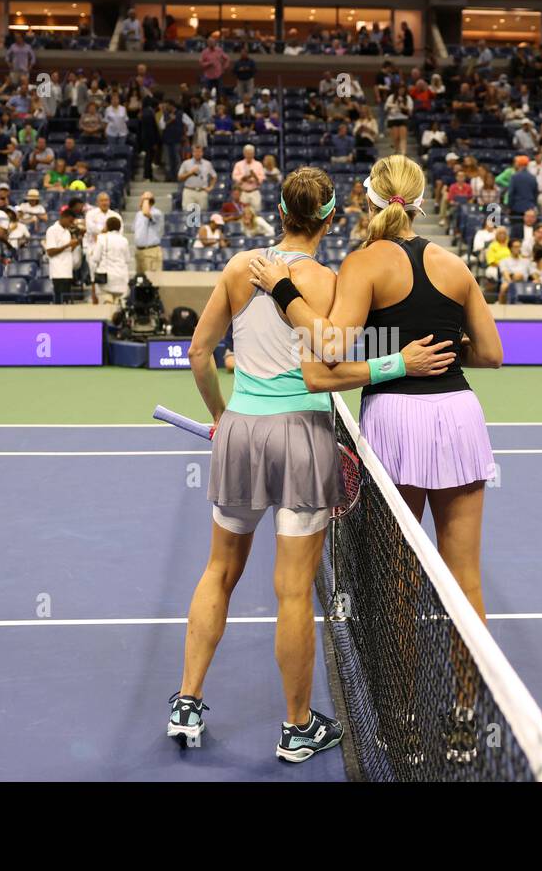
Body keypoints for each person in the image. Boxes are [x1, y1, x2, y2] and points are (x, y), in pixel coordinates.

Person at [171, 165, 452, 762]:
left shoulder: (236, 269)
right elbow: (328, 356)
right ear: (329, 217)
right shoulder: (331, 281)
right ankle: (297, 728)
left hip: (241, 432)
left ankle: (187, 702)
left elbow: (199, 353)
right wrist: (396, 362)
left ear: (279, 212)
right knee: (294, 590)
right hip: (302, 435)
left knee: (218, 570)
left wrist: (221, 415)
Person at [248, 154, 503, 636]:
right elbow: (491, 354)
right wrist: (442, 352)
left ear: (368, 199)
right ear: (421, 203)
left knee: (398, 579)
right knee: (466, 577)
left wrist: (284, 291)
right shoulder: (454, 265)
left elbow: (328, 350)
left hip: (396, 417)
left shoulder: (363, 263)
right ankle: (470, 705)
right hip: (460, 415)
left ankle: (403, 713)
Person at [88, 215, 132, 304]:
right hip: (121, 278)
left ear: (107, 226)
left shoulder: (101, 238)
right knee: (118, 306)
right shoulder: (124, 240)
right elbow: (127, 259)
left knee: (106, 305)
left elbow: (95, 258)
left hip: (106, 279)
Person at [44, 207, 81, 303]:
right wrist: (68, 245)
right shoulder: (52, 230)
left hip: (67, 270)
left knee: (66, 301)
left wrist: (75, 244)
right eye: (70, 221)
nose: (71, 224)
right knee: (59, 300)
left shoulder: (67, 232)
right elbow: (50, 252)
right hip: (58, 271)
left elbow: (68, 250)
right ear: (64, 217)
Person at [132, 191, 164, 272]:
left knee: (152, 280)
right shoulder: (138, 214)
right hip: (139, 252)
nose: (140, 201)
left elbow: (146, 212)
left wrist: (146, 198)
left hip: (151, 252)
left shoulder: (156, 213)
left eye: (143, 199)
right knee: (140, 281)